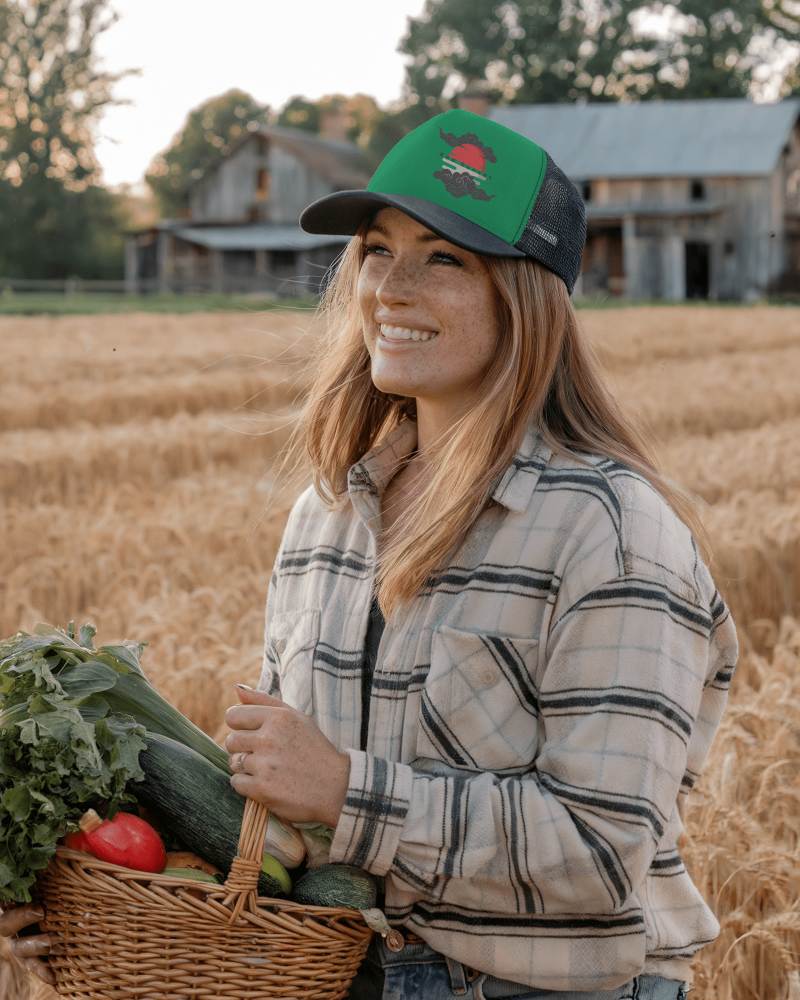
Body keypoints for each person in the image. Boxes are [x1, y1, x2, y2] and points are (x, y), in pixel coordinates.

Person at [2, 109, 738, 1000]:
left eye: (444, 257)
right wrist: (76, 880)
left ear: (529, 292)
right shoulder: (329, 515)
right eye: (377, 250)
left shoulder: (611, 532)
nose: (391, 286)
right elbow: (282, 822)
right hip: (340, 977)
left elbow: (597, 850)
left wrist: (348, 792)